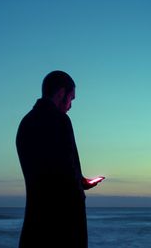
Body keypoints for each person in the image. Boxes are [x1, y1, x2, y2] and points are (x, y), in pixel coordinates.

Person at [16, 71, 103, 248]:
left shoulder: (25, 123)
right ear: (61, 93)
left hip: (35, 225)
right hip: (63, 226)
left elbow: (49, 168)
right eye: (71, 98)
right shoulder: (60, 120)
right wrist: (80, 186)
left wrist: (81, 180)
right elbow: (66, 173)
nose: (70, 105)